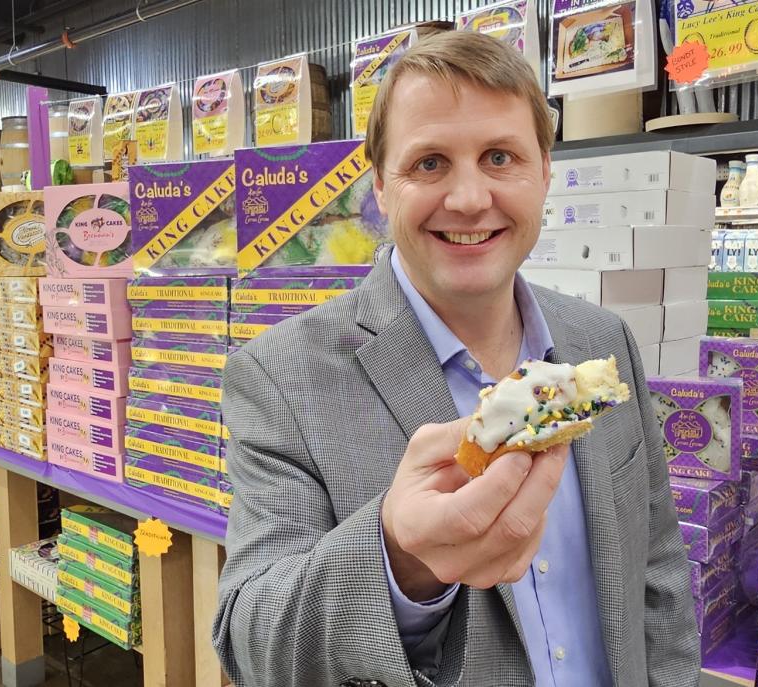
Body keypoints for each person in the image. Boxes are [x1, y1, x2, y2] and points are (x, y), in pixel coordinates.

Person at [213, 30, 700, 687]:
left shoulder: (603, 338)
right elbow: (252, 643)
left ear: (544, 173)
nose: (470, 198)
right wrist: (399, 558)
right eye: (430, 163)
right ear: (381, 186)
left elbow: (659, 568)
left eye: (500, 157)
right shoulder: (279, 378)